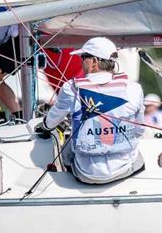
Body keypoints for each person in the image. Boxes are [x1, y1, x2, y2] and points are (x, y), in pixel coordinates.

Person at [36, 37, 145, 184]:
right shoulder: (134, 88)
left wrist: (44, 126)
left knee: (69, 142)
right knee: (138, 151)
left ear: (94, 61)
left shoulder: (71, 87)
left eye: (83, 57)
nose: (81, 61)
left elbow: (51, 122)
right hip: (123, 169)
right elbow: (139, 131)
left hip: (86, 174)